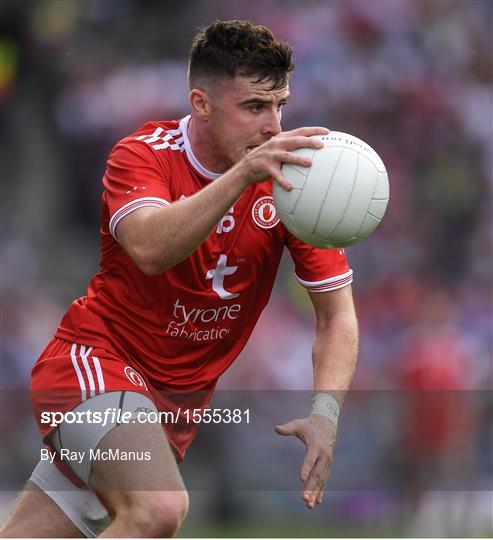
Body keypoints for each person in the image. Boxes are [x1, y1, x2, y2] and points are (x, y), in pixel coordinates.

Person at [2, 20, 358, 538]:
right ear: (202, 103)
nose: (274, 127)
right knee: (158, 510)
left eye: (279, 105)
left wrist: (325, 413)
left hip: (170, 409)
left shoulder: (294, 188)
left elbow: (337, 314)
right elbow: (149, 248)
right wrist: (242, 177)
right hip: (94, 366)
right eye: (255, 107)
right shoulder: (143, 154)